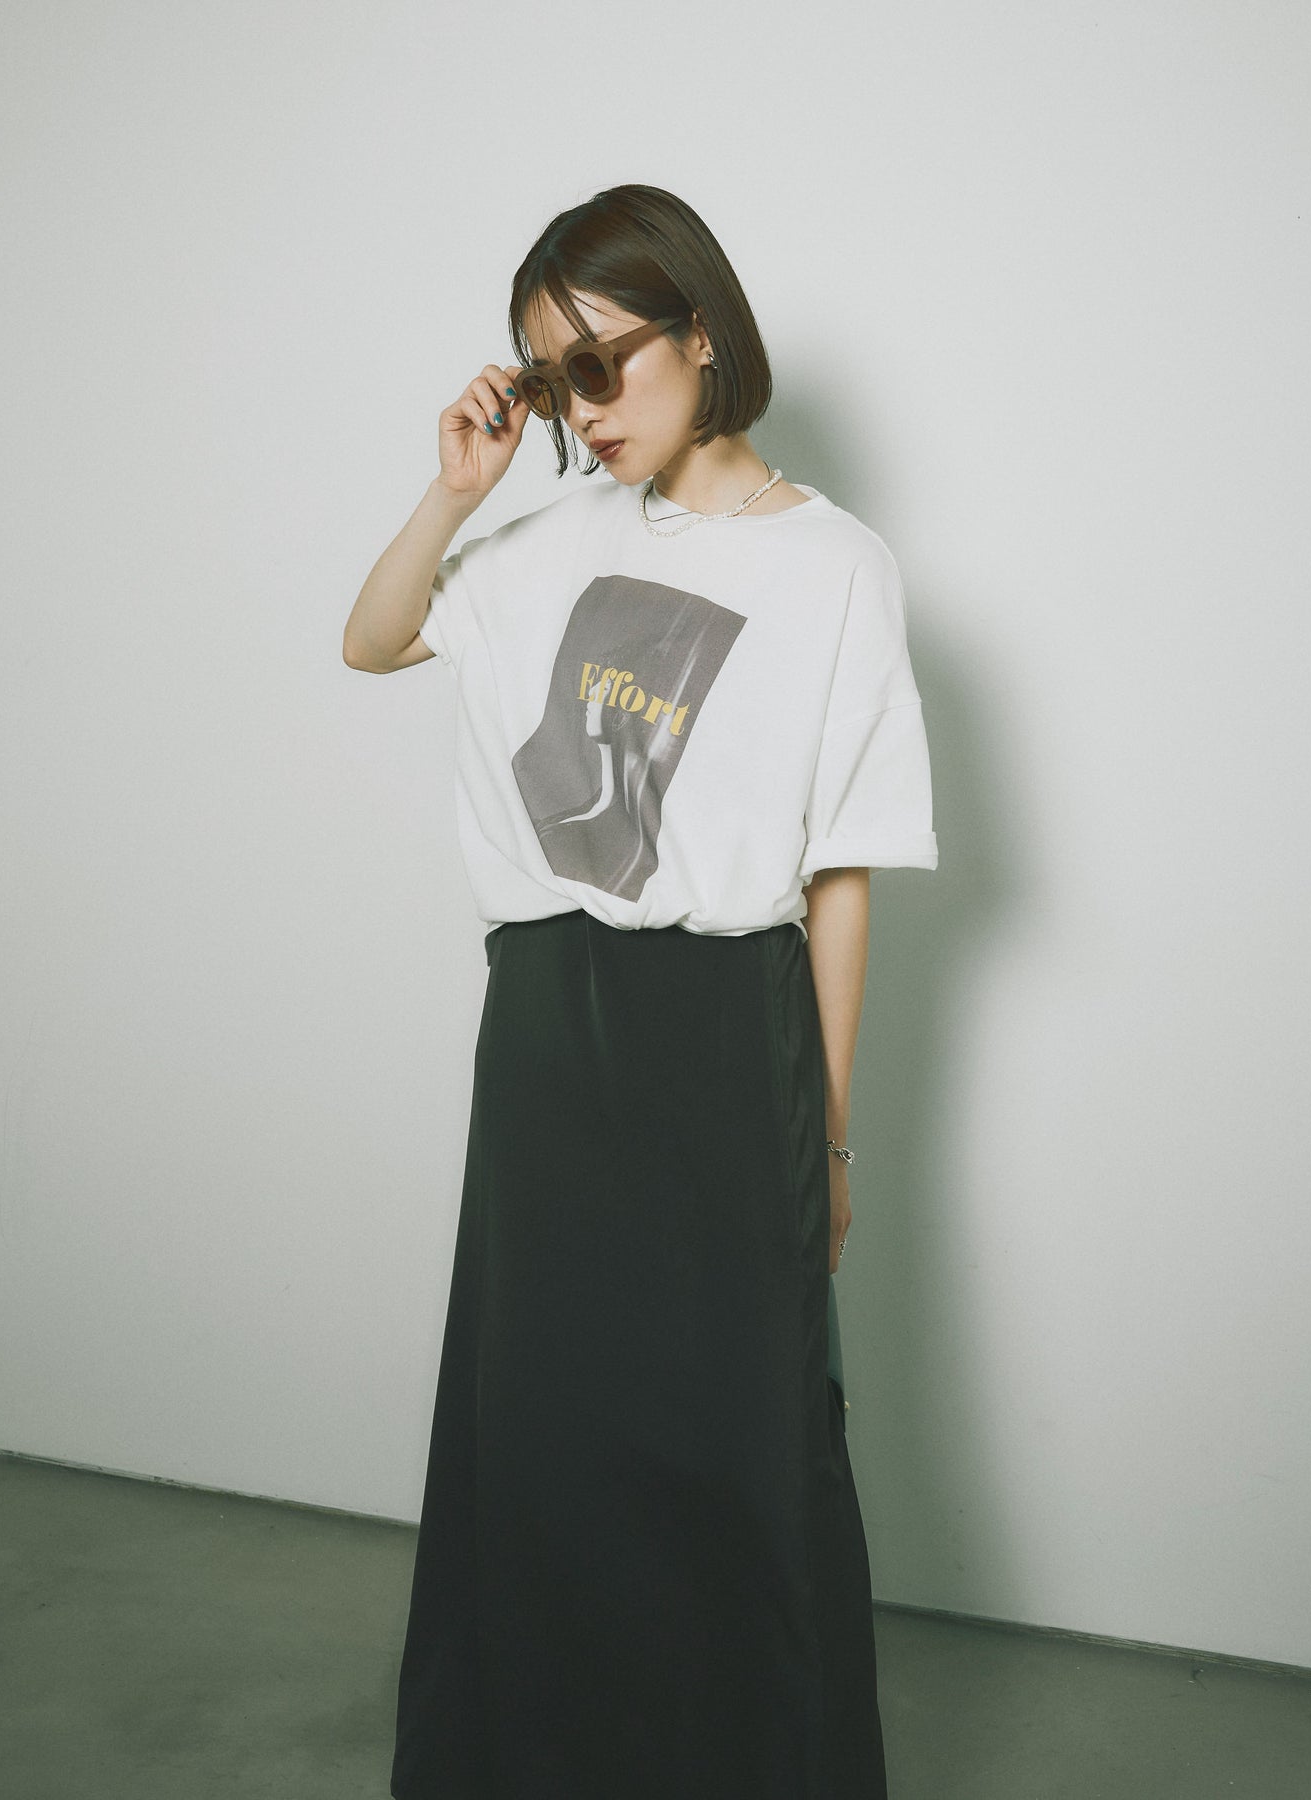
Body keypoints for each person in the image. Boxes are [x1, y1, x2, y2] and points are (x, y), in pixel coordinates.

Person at [343, 183, 939, 1800]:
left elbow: (840, 874)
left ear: (701, 336)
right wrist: (455, 490)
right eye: (554, 381)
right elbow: (372, 640)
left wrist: (826, 1139)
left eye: (603, 364)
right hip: (547, 1030)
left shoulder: (834, 568)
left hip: (726, 1036)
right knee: (541, 1441)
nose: (584, 409)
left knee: (746, 1445)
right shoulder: (551, 539)